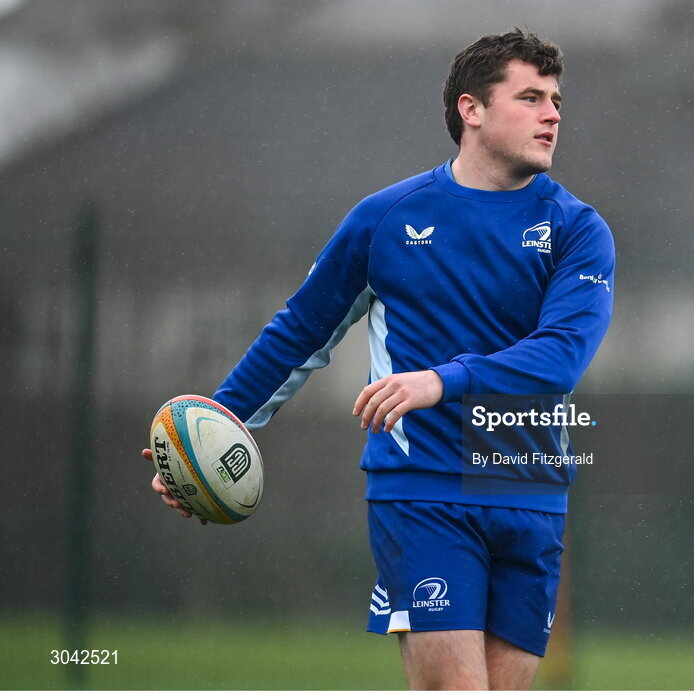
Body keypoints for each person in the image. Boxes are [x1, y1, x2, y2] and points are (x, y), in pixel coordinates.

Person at [143, 28, 614, 690]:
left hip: (529, 491)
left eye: (556, 100)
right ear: (471, 110)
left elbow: (560, 358)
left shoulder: (578, 231)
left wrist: (439, 381)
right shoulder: (385, 219)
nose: (553, 113)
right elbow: (299, 332)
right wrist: (209, 432)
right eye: (531, 97)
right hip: (422, 489)